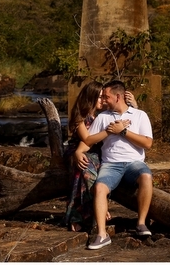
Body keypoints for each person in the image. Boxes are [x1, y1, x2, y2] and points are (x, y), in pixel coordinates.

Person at [78, 80, 153, 250]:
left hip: (134, 163)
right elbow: (88, 142)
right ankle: (102, 235)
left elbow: (147, 143)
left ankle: (141, 223)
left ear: (118, 97)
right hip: (111, 164)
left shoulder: (140, 115)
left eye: (106, 96)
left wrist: (124, 131)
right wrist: (78, 152)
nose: (103, 100)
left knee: (146, 176)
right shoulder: (103, 117)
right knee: (99, 188)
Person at [63, 81, 137, 232]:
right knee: (85, 171)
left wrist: (133, 105)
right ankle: (87, 214)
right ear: (91, 98)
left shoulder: (102, 115)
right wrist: (110, 131)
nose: (103, 101)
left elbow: (125, 114)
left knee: (100, 172)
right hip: (79, 150)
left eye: (104, 97)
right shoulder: (80, 117)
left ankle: (95, 209)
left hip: (97, 153)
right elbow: (87, 139)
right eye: (100, 98)